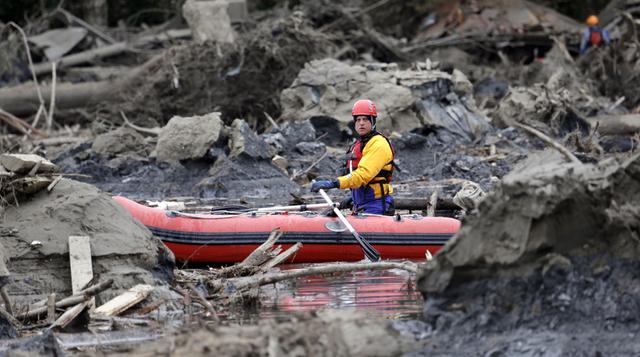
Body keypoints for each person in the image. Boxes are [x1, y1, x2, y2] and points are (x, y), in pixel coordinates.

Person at [311, 99, 395, 215]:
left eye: (365, 119)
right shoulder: (359, 144)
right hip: (360, 204)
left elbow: (362, 175)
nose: (361, 123)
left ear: (373, 121)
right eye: (358, 119)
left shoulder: (378, 144)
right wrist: (353, 199)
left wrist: (333, 183)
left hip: (376, 205)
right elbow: (355, 179)